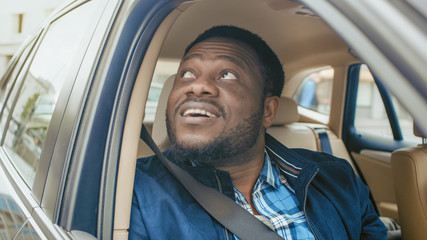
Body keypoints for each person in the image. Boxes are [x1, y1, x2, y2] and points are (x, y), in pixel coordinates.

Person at [129, 25, 387, 239]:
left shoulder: (336, 179)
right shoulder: (134, 193)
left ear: (268, 111)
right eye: (186, 73)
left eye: (227, 74)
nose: (197, 86)